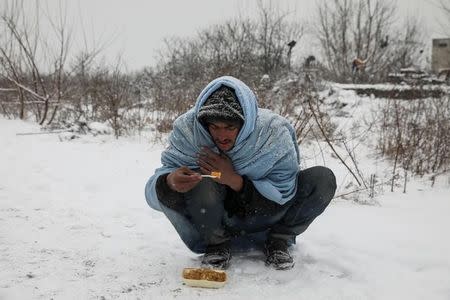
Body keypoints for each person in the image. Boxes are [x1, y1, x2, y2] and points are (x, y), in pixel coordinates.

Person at [145, 76, 336, 270]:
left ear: (246, 122)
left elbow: (283, 195)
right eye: (214, 126)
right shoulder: (190, 131)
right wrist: (169, 182)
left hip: (268, 217)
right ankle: (217, 244)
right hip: (216, 220)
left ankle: (279, 241)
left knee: (323, 179)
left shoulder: (271, 132)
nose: (221, 136)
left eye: (230, 127)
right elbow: (154, 189)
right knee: (202, 180)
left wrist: (234, 180)